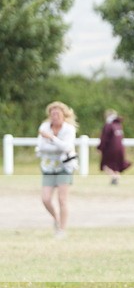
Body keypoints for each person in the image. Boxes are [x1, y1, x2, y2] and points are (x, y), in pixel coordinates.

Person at [36, 101, 78, 239]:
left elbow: (67, 147)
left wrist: (51, 139)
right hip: (48, 167)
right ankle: (56, 218)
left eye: (58, 113)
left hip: (65, 167)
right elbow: (40, 148)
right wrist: (56, 145)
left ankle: (62, 230)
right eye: (52, 114)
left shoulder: (69, 129)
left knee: (62, 199)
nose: (55, 116)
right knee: (46, 199)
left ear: (64, 115)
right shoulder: (44, 127)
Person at [98, 109, 131, 185]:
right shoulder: (118, 125)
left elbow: (104, 138)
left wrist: (100, 148)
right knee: (115, 165)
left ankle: (114, 177)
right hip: (120, 148)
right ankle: (115, 177)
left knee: (105, 165)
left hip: (110, 149)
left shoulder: (108, 125)